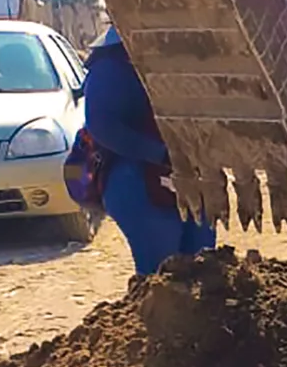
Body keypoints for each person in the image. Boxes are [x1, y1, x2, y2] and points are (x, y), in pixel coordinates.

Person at [80, 25, 217, 274]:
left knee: (204, 265)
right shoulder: (111, 67)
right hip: (137, 181)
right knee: (161, 271)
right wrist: (163, 154)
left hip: (192, 176)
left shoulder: (183, 61)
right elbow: (102, 125)